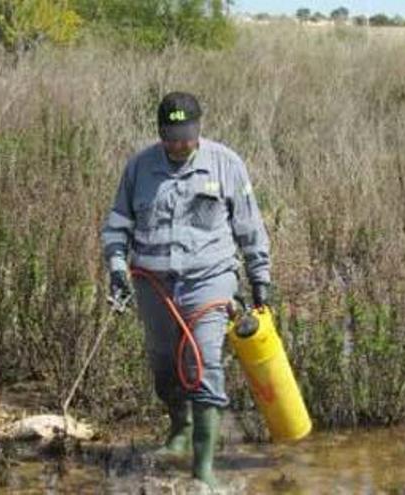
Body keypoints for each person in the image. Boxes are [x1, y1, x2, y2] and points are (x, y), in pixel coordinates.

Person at [100, 91, 271, 487]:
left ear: (199, 129)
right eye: (171, 136)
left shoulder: (226, 164)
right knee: (164, 366)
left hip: (209, 279)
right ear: (159, 132)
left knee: (203, 362)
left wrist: (260, 277)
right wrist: (116, 266)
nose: (179, 144)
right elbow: (117, 224)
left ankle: (204, 466)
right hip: (153, 282)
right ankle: (179, 429)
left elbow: (250, 226)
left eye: (186, 135)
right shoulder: (139, 167)